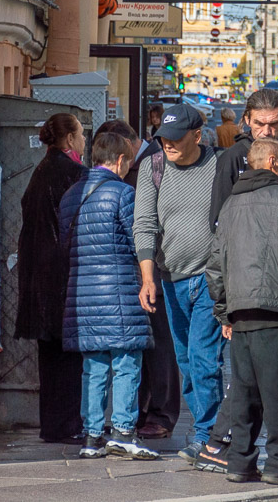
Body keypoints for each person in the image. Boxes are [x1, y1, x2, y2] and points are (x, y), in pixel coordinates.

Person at [194, 89, 278, 476]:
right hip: (268, 293)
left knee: (254, 383)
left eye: (274, 124)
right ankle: (273, 458)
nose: (267, 130)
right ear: (246, 122)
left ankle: (237, 454)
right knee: (271, 385)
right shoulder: (236, 160)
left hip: (250, 295)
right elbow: (220, 234)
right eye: (260, 124)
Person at [206, 139, 278, 486]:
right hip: (277, 311)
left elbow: (215, 265)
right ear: (271, 162)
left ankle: (240, 462)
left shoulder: (230, 205)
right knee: (277, 394)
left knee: (243, 392)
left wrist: (224, 313)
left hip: (241, 314)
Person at [59, 132, 160, 461]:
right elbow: (138, 243)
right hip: (119, 292)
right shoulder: (123, 193)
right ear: (120, 161)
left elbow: (65, 246)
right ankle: (123, 432)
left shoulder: (71, 196)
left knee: (94, 366)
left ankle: (91, 436)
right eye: (128, 161)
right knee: (128, 362)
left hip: (83, 296)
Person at [133, 104, 224, 461]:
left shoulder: (219, 166)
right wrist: (147, 278)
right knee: (186, 361)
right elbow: (144, 225)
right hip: (170, 279)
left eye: (175, 138)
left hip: (210, 277)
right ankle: (211, 429)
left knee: (204, 359)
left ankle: (209, 435)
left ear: (197, 136)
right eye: (163, 138)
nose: (167, 144)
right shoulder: (153, 168)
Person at [96, 119, 181, 441]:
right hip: (136, 268)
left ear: (128, 144)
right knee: (145, 345)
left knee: (160, 344)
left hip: (157, 267)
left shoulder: (155, 163)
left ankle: (161, 413)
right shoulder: (138, 164)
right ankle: (144, 411)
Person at [14, 113, 88, 443]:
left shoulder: (40, 171)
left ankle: (53, 425)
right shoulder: (73, 174)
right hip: (64, 279)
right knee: (68, 359)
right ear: (70, 140)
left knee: (50, 358)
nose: (84, 141)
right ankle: (66, 426)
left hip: (39, 279)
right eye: (82, 135)